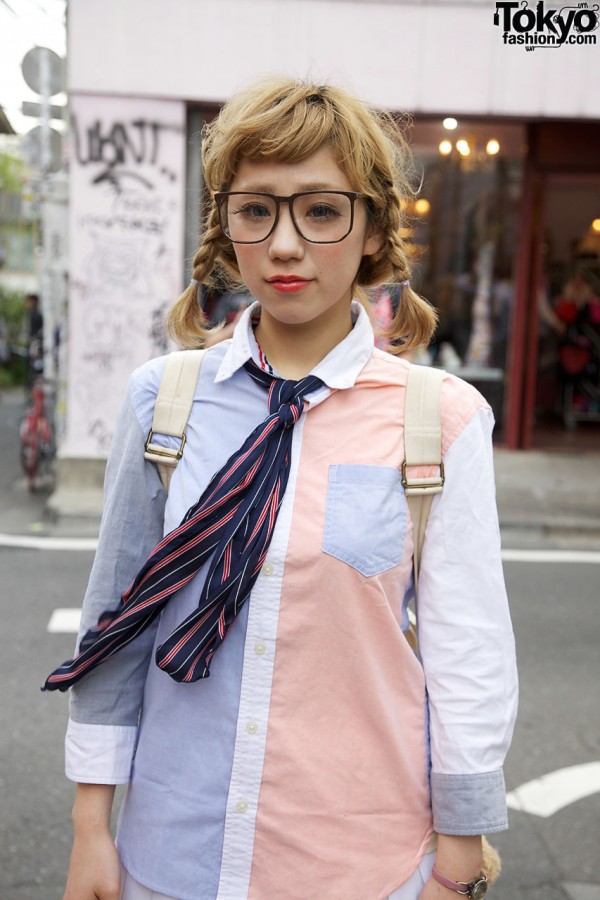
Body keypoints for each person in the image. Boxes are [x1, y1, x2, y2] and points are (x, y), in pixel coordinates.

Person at [46, 78, 518, 900]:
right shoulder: (164, 401)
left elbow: (467, 652)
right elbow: (115, 622)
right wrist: (93, 827)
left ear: (372, 225)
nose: (286, 245)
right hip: (172, 857)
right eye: (256, 209)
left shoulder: (438, 419)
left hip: (362, 865)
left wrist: (458, 857)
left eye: (322, 211)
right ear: (226, 226)